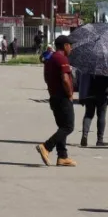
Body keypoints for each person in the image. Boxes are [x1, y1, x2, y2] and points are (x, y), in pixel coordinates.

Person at [36, 35, 76, 167]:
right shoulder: (61, 58)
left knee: (62, 127)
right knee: (68, 127)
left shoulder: (50, 58)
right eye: (70, 45)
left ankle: (62, 156)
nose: (71, 48)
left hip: (54, 97)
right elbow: (65, 79)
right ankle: (46, 147)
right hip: (62, 98)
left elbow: (46, 78)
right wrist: (70, 94)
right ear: (65, 46)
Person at [80, 70, 108, 148]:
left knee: (88, 114)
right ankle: (99, 140)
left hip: (89, 93)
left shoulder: (87, 67)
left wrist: (81, 97)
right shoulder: (105, 67)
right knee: (101, 115)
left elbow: (82, 82)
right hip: (102, 94)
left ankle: (85, 135)